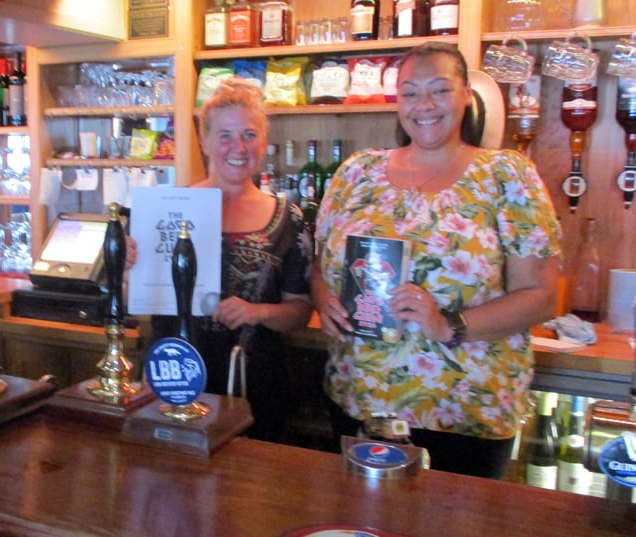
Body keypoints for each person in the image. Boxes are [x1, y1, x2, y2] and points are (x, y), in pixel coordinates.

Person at [311, 41, 561, 478]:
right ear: (397, 102)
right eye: (410, 92)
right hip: (359, 399)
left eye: (440, 90)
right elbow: (319, 264)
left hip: (465, 411)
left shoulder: (506, 175)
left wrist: (449, 324)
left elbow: (540, 296)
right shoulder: (356, 172)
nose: (424, 105)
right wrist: (323, 298)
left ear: (466, 95)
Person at [142, 77, 313, 442]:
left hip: (253, 385)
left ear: (264, 142)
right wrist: (130, 267)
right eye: (224, 135)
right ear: (204, 141)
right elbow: (142, 297)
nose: (238, 146)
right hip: (175, 377)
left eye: (250, 135)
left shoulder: (289, 219)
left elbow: (299, 311)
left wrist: (258, 312)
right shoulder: (168, 209)